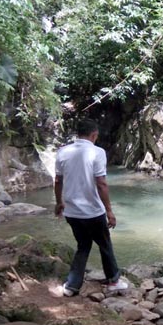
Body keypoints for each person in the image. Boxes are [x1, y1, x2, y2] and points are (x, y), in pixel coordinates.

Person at [54, 118, 128, 296]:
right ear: (94, 135)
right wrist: (109, 211)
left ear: (77, 134)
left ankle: (72, 286)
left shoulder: (62, 151)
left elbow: (57, 180)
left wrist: (59, 203)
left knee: (83, 246)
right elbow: (101, 183)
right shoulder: (98, 152)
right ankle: (113, 281)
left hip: (72, 211)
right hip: (93, 211)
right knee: (104, 244)